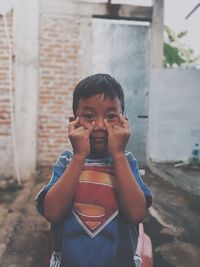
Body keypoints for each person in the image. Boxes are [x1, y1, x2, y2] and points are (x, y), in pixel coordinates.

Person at [36, 73, 152, 267]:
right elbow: (52, 213)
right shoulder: (66, 162)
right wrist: (79, 155)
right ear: (74, 122)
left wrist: (118, 155)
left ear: (123, 121)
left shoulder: (126, 161)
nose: (99, 125)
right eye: (89, 116)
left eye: (110, 116)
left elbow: (136, 214)